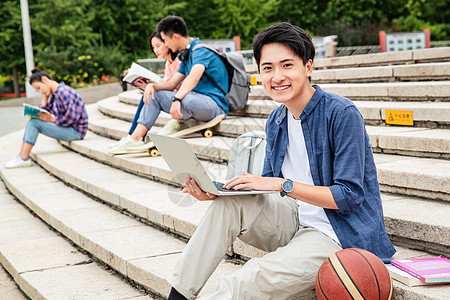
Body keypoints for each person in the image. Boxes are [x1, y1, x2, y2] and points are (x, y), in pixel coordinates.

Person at [166, 22, 396, 300]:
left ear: (308, 67)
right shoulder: (276, 120)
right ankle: (177, 295)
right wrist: (217, 192)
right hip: (293, 219)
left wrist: (283, 184)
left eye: (287, 65)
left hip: (338, 235)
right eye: (268, 68)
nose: (277, 76)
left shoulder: (341, 113)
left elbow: (348, 196)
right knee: (227, 207)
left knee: (248, 279)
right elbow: (267, 191)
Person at [108, 16, 229, 154]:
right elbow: (172, 84)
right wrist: (152, 86)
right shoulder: (187, 54)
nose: (166, 44)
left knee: (186, 97)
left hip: (215, 105)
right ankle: (135, 138)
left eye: (165, 40)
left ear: (175, 37)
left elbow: (194, 77)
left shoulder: (201, 51)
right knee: (155, 94)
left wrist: (177, 99)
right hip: (196, 102)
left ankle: (174, 123)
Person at [108, 31, 181, 151]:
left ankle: (134, 137)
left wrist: (152, 86)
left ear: (167, 43)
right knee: (147, 95)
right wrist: (148, 85)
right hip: (172, 98)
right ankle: (131, 136)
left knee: (152, 93)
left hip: (180, 100)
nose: (155, 50)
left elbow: (173, 87)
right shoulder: (169, 62)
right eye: (153, 47)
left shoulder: (179, 61)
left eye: (158, 46)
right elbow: (168, 86)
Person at [5, 69, 88, 169]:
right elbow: (42, 111)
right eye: (38, 91)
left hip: (75, 131)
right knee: (34, 121)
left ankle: (23, 158)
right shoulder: (54, 94)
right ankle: (21, 157)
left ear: (44, 79)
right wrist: (45, 96)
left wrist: (52, 120)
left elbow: (72, 117)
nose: (40, 91)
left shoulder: (64, 91)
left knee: (35, 123)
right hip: (68, 129)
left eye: (39, 88)